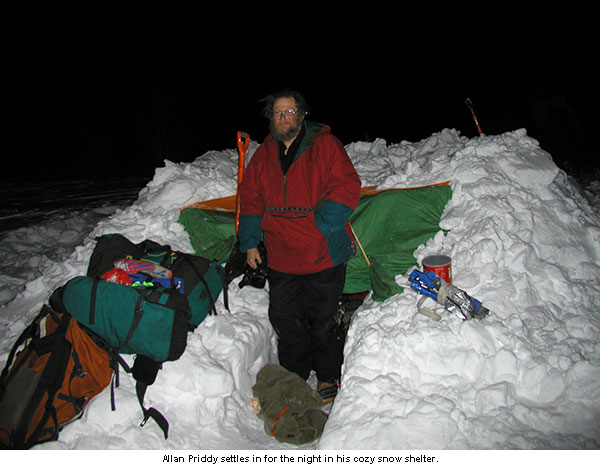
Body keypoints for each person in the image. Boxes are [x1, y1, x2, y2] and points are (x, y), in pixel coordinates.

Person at [238, 89, 361, 404]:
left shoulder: (324, 146)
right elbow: (250, 200)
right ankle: (294, 377)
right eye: (277, 113)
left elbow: (346, 185)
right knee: (286, 320)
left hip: (322, 253)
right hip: (281, 256)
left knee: (323, 320)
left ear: (302, 115)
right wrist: (250, 243)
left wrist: (321, 225)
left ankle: (327, 376)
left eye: (289, 112)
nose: (283, 118)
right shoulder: (263, 154)